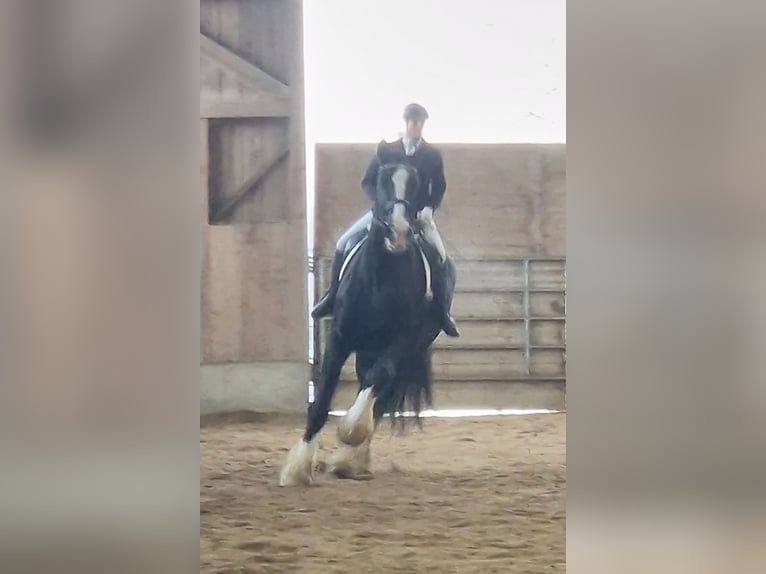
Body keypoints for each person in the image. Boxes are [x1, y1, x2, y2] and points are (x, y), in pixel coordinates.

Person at [312, 103, 459, 337]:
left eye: (420, 122)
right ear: (406, 123)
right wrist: (381, 206)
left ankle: (442, 311)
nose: (416, 126)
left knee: (443, 259)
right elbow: (368, 181)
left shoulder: (431, 155)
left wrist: (430, 208)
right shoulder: (388, 151)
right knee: (342, 243)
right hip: (383, 215)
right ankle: (331, 297)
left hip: (417, 217)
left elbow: (439, 186)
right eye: (412, 121)